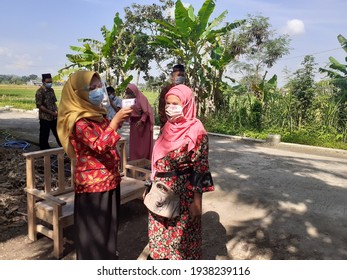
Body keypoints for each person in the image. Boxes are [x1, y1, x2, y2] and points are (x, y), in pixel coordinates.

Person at [57, 70, 132, 260]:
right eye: (92, 88)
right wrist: (114, 123)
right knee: (95, 234)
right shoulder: (77, 121)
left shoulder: (97, 114)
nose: (98, 91)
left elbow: (107, 136)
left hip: (109, 180)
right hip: (93, 187)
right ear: (77, 93)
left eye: (99, 86)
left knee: (108, 229)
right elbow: (99, 145)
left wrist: (117, 122)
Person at [147, 84, 214, 260]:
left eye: (175, 104)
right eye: (167, 104)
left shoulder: (196, 131)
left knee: (181, 244)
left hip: (183, 196)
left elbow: (200, 169)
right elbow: (157, 160)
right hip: (160, 194)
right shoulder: (166, 128)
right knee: (160, 239)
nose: (170, 108)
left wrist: (197, 202)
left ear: (186, 104)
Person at [124, 83, 154, 161]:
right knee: (135, 143)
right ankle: (134, 159)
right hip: (134, 123)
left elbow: (146, 111)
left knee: (143, 144)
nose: (129, 94)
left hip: (144, 123)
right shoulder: (128, 99)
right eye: (128, 93)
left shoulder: (142, 98)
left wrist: (141, 120)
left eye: (131, 93)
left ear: (134, 91)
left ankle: (144, 160)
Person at [35, 73, 62, 150]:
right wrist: (50, 112)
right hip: (45, 118)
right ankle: (44, 152)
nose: (49, 83)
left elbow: (54, 102)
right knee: (44, 136)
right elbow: (40, 106)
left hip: (54, 117)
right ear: (43, 82)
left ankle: (64, 149)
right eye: (48, 82)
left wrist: (57, 111)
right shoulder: (40, 92)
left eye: (50, 81)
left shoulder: (51, 90)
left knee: (58, 134)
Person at [158, 64, 185, 129]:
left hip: (183, 125)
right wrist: (166, 123)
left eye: (182, 75)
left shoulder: (186, 90)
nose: (181, 77)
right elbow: (161, 108)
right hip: (168, 124)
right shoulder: (166, 90)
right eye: (178, 75)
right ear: (173, 76)